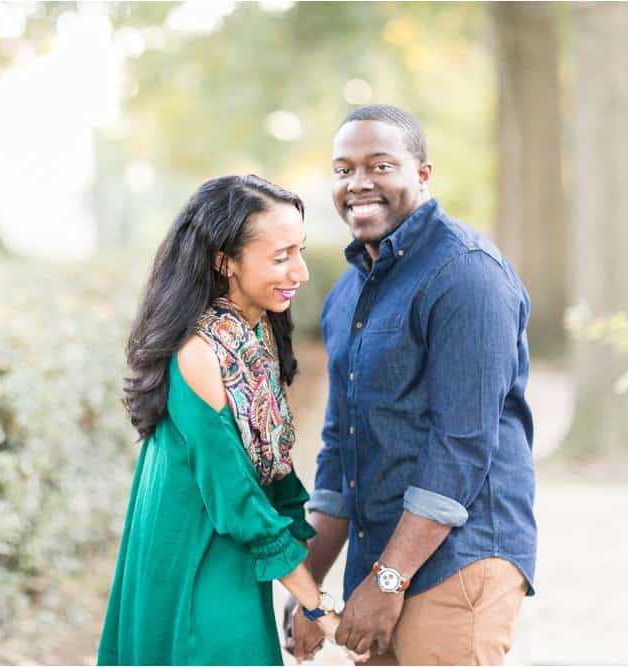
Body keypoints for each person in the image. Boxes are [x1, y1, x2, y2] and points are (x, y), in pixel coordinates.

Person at [286, 104, 537, 665]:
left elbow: (462, 444)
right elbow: (340, 450)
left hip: (458, 562)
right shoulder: (348, 297)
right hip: (380, 565)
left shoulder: (466, 274)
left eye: (380, 165)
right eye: (343, 169)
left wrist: (389, 580)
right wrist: (311, 587)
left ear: (422, 174)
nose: (359, 183)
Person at [97, 175, 366, 665]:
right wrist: (316, 604)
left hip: (234, 559)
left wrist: (305, 589)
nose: (300, 272)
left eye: (299, 250)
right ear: (225, 262)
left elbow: (274, 476)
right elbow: (238, 499)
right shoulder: (199, 352)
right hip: (194, 566)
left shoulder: (255, 329)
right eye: (281, 256)